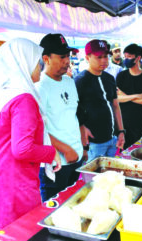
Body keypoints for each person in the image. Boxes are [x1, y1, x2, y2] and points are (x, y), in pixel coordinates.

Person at [0, 38, 60, 233]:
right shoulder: (23, 99)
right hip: (12, 183)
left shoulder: (6, 92)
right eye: (37, 61)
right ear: (21, 61)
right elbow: (23, 149)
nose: (40, 66)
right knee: (18, 238)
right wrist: (51, 152)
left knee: (1, 238)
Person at [36, 33, 83, 202]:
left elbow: (73, 115)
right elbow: (39, 127)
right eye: (62, 57)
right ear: (46, 58)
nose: (67, 61)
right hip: (56, 162)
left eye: (68, 56)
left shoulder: (69, 81)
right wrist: (64, 149)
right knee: (54, 208)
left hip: (76, 156)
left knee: (75, 202)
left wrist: (81, 146)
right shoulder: (39, 86)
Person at [75, 39, 125, 161]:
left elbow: (115, 105)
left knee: (111, 175)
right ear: (87, 58)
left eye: (106, 56)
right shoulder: (80, 81)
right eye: (99, 57)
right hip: (93, 142)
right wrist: (81, 127)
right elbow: (74, 110)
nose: (104, 60)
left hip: (113, 139)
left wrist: (121, 131)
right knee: (94, 178)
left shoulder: (109, 78)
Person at [116, 44, 142, 149]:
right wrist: (137, 96)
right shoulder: (121, 76)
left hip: (139, 122)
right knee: (123, 151)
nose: (126, 59)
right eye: (125, 57)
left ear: (138, 58)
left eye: (129, 57)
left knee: (138, 150)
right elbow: (117, 99)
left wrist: (125, 97)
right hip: (123, 122)